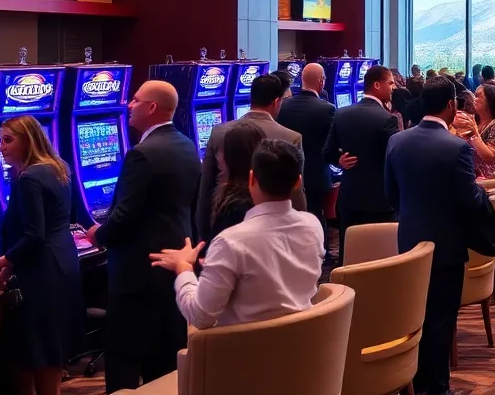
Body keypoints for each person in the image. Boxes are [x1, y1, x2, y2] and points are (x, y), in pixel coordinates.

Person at [88, 80, 200, 393]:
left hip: (138, 270)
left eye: (135, 100)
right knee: (164, 357)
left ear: (151, 107)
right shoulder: (186, 144)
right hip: (175, 261)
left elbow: (124, 216)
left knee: (124, 356)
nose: (129, 105)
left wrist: (99, 234)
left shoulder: (142, 153)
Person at [386, 76, 494, 395]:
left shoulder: (397, 140)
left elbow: (391, 194)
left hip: (408, 243)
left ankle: (415, 381)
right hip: (446, 247)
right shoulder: (457, 146)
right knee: (441, 319)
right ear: (450, 106)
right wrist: (484, 198)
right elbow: (469, 199)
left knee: (413, 316)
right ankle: (437, 387)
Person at [150, 138, 323, 330]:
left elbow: (200, 317)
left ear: (251, 179)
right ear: (297, 182)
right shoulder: (313, 225)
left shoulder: (230, 243)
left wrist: (183, 268)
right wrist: (222, 266)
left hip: (244, 355)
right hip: (303, 348)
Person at [0, 116, 82, 395]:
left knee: (34, 354)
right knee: (47, 352)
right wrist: (8, 269)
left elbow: (34, 235)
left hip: (40, 271)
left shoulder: (29, 177)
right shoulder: (58, 166)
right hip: (62, 263)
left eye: (8, 140)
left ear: (28, 140)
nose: (1, 147)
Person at [196, 74, 303, 239]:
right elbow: (295, 192)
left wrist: (203, 237)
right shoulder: (291, 137)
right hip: (272, 227)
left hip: (225, 220)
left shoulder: (219, 131)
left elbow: (206, 189)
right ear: (277, 102)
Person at [323, 64, 398, 263]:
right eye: (390, 83)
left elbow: (327, 153)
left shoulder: (342, 113)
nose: (394, 87)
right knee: (380, 260)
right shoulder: (387, 119)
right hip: (380, 201)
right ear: (376, 85)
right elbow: (395, 159)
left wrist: (339, 161)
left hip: (349, 199)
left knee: (349, 257)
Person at [276, 62, 338, 231]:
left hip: (286, 173)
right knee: (316, 219)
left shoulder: (284, 106)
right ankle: (319, 255)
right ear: (321, 81)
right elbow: (332, 143)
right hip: (317, 174)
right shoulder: (328, 109)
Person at [205, 122, 266, 244]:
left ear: (232, 157)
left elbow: (222, 258)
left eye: (223, 150)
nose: (218, 156)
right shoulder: (264, 193)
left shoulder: (234, 207)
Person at [460, 83, 495, 178]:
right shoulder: (475, 120)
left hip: (488, 177)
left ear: (490, 100)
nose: (474, 99)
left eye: (478, 96)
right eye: (474, 96)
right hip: (472, 173)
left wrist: (474, 134)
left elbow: (489, 157)